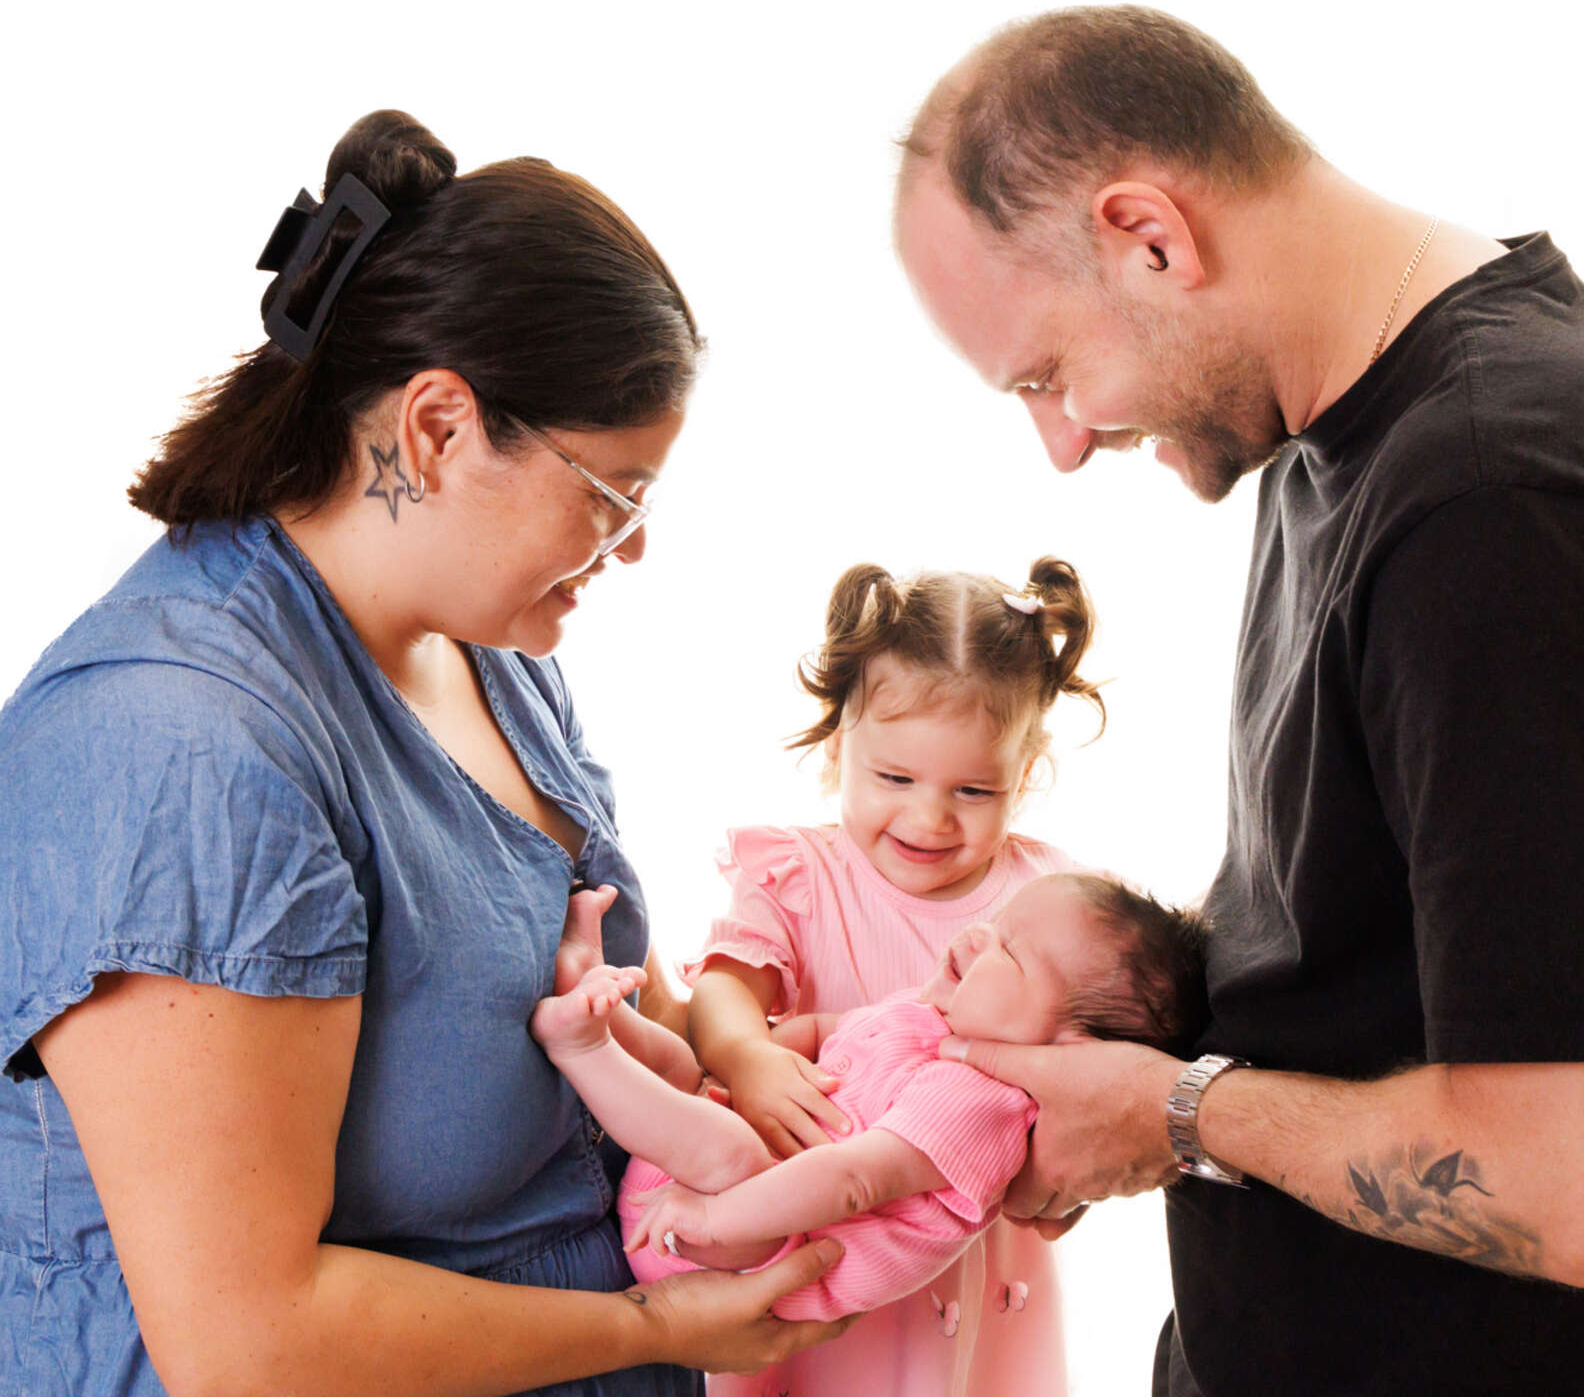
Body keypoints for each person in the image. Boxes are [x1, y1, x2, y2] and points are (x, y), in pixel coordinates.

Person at [891, 5, 1584, 1397]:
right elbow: (1398, 938)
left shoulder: (1503, 505)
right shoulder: (1360, 431)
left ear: (1152, 236)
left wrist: (1178, 1115)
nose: (1063, 443)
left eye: (1050, 373)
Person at [0, 110, 855, 1397]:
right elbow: (251, 1344)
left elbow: (614, 988)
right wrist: (655, 1330)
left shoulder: (489, 649)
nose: (630, 548)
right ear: (439, 428)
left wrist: (823, 1071)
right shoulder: (186, 750)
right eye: (615, 494)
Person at [678, 558, 1104, 1396]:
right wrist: (747, 1059)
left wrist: (1067, 1163)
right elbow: (726, 987)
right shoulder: (801, 875)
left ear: (1028, 773)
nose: (928, 817)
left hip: (965, 1252)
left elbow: (1086, 1058)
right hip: (809, 1234)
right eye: (895, 778)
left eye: (974, 789)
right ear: (841, 749)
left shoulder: (1043, 901)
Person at [534, 876, 1205, 1327]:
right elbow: (833, 1032)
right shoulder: (928, 1014)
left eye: (1012, 953)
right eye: (995, 922)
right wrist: (769, 1057)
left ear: (1072, 1048)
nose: (975, 937)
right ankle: (595, 997)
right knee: (685, 1064)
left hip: (740, 1250)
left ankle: (583, 1050)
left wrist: (711, 1218)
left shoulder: (985, 1106)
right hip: (704, 1184)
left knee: (728, 1147)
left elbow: (855, 1183)